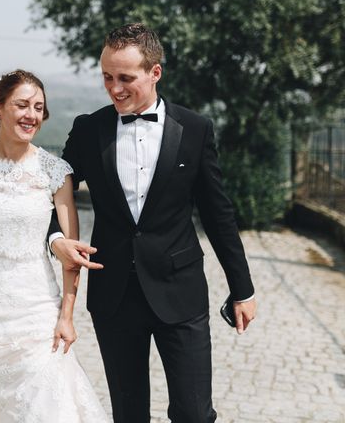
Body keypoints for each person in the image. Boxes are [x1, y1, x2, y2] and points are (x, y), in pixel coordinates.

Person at [48, 23, 257, 422]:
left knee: (195, 413)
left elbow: (218, 213)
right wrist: (56, 237)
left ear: (155, 72)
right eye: (107, 77)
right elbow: (52, 192)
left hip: (180, 290)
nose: (114, 88)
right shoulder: (88, 130)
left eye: (126, 78)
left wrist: (241, 287)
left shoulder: (195, 129)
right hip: (114, 293)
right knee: (129, 414)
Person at [0, 70, 107, 422]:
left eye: (39, 108)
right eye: (23, 105)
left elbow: (71, 255)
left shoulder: (54, 171)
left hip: (36, 308)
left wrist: (66, 317)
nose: (32, 115)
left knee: (47, 405)